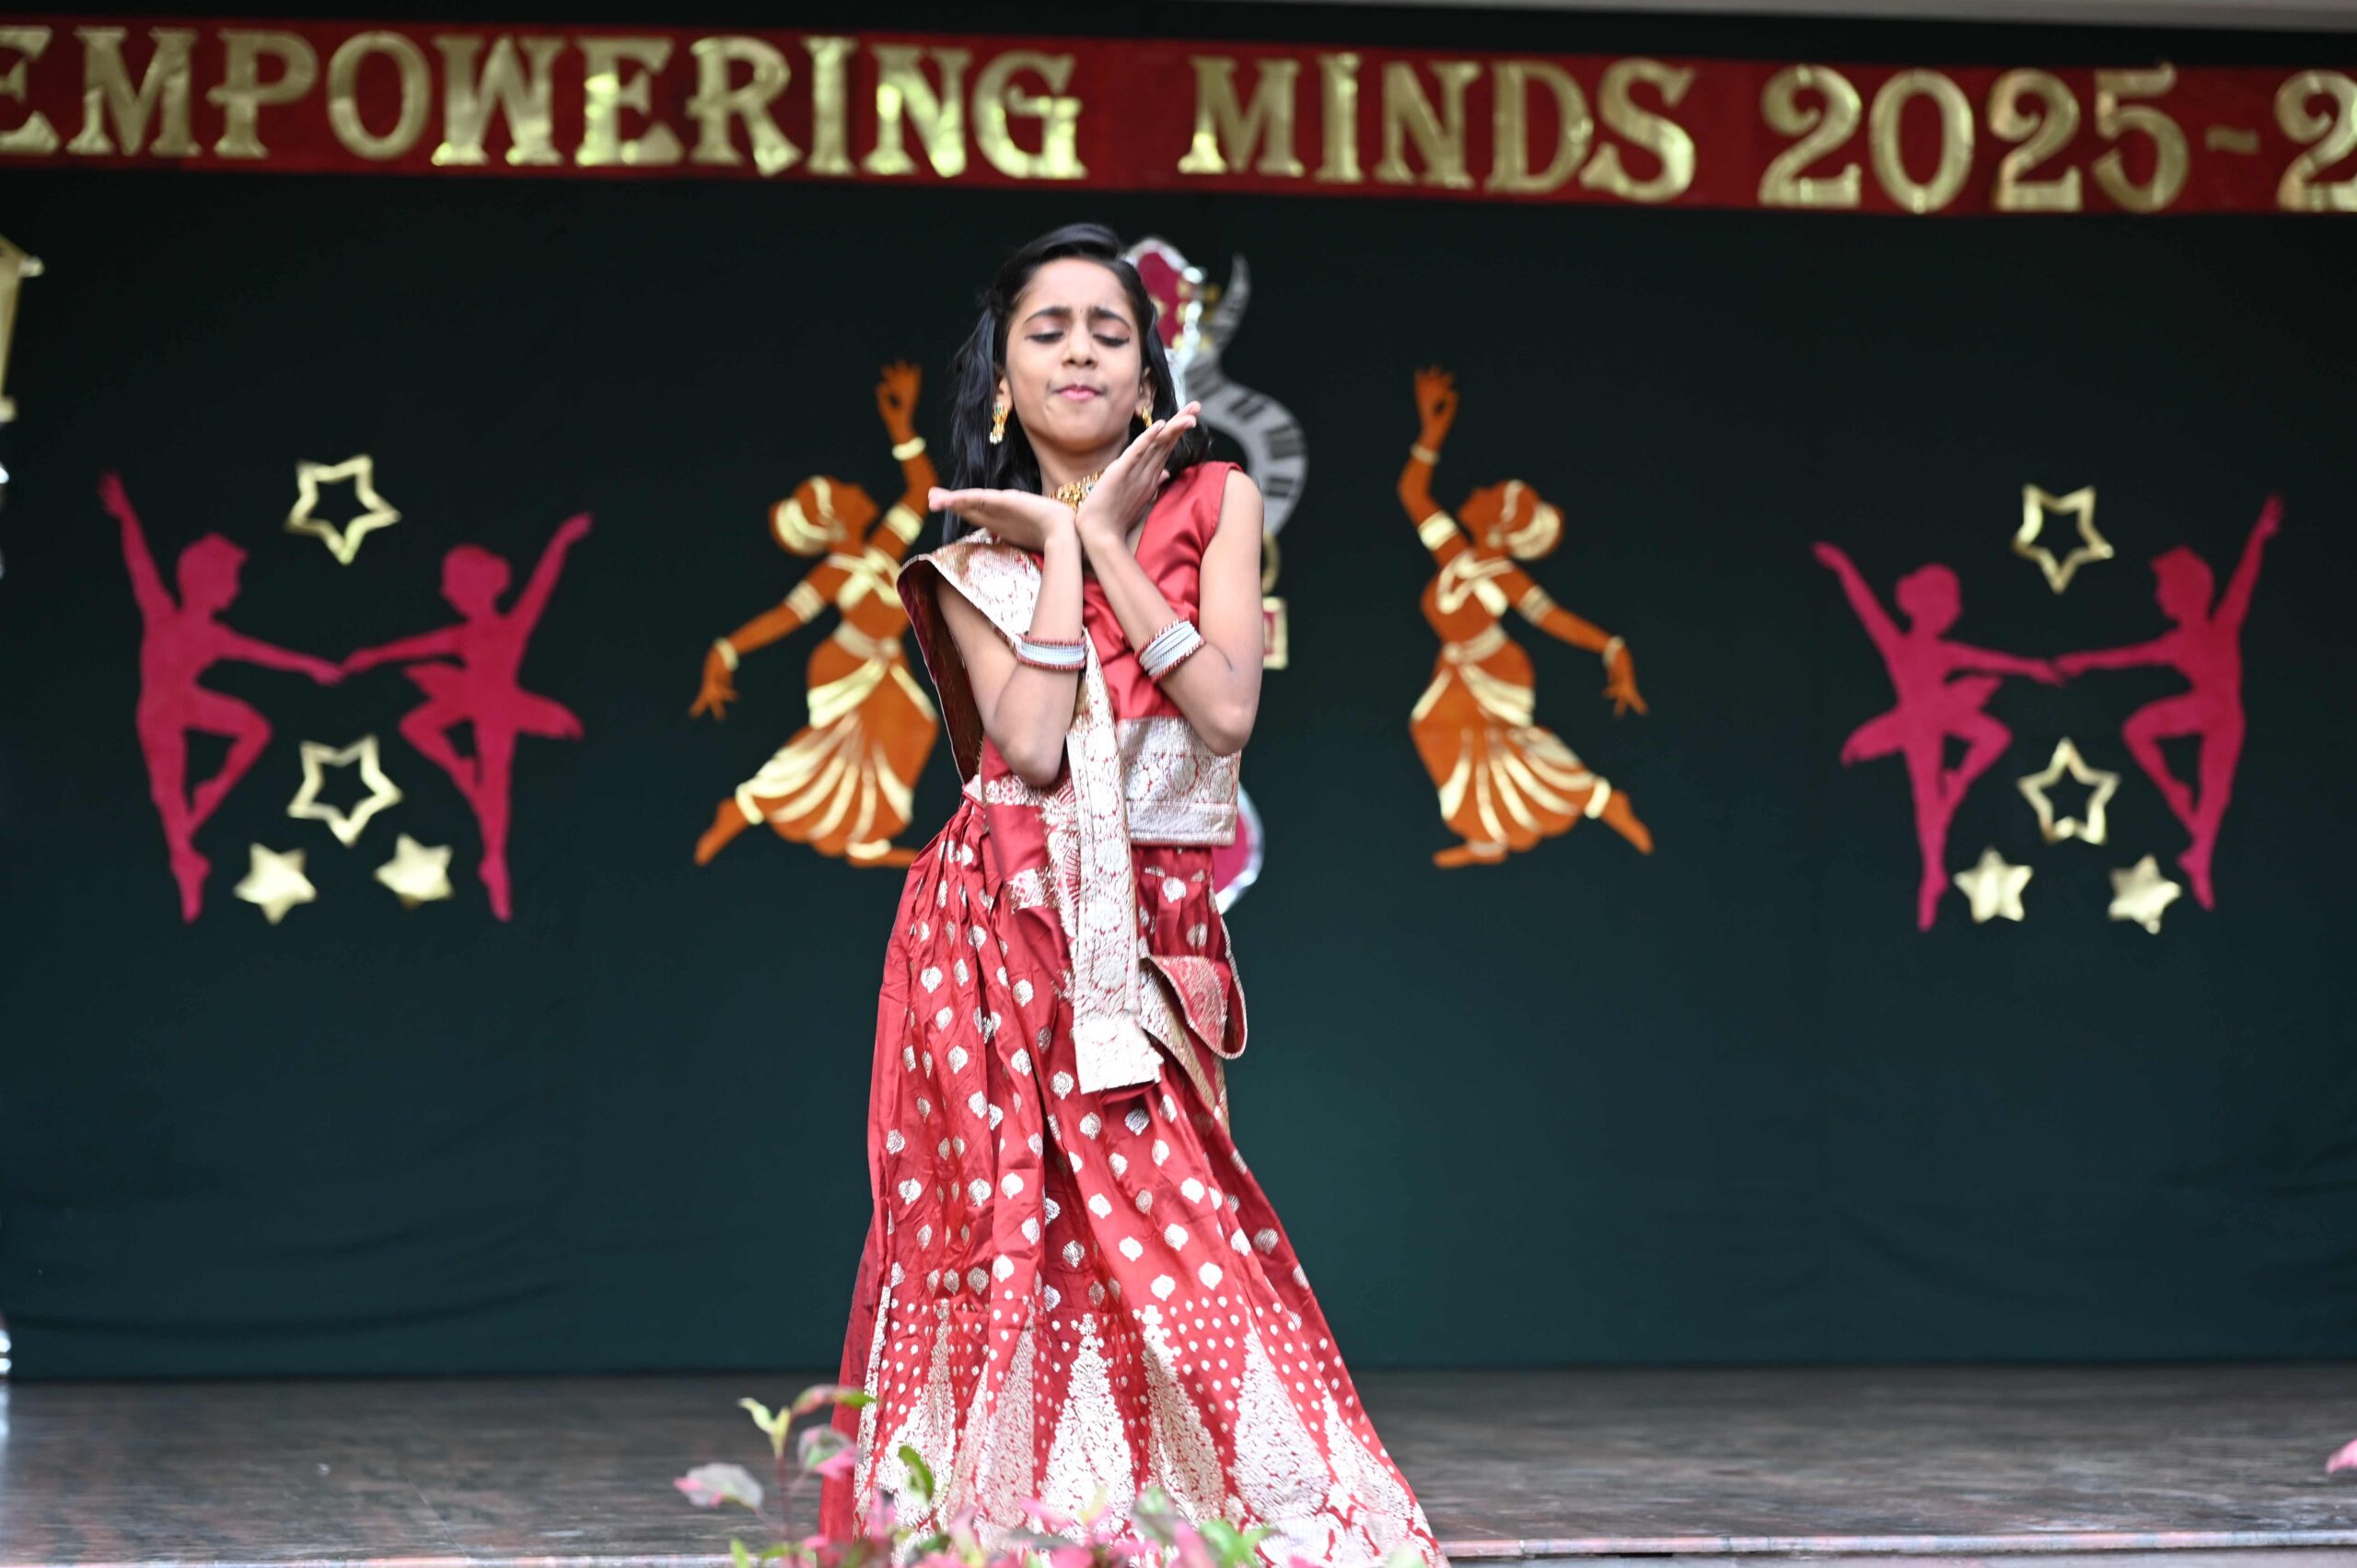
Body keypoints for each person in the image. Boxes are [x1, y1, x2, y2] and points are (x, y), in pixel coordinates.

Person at [819, 225, 1447, 1568]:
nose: (1081, 352)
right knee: (1006, 1227)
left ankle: (1241, 1512)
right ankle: (1012, 1519)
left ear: (1151, 372)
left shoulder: (1217, 501)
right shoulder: (969, 557)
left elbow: (1224, 711)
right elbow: (1035, 747)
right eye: (1046, 331)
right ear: (1002, 381)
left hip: (1147, 929)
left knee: (1167, 1215)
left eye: (1110, 330)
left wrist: (1102, 538)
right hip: (999, 928)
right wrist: (1058, 544)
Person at [691, 363, 941, 869]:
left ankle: (865, 835)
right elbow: (785, 617)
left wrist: (901, 428)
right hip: (846, 663)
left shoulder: (882, 548)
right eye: (841, 491)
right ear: (834, 519)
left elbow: (921, 490)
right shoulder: (836, 572)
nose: (853, 487)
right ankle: (745, 806)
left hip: (882, 660)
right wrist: (727, 650)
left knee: (915, 727)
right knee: (823, 752)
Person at [1399, 368, 1651, 867]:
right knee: (1438, 733)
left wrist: (1611, 647)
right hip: (1460, 663)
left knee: (1508, 751)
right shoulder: (1456, 554)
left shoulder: (1501, 575)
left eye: (1490, 494)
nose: (1477, 490)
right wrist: (1432, 431)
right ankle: (1488, 837)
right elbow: (1413, 495)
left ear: (1497, 522)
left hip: (1495, 666)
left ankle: (1601, 800)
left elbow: (1554, 619)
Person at [99, 472, 343, 922]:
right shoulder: (162, 613)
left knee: (255, 728)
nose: (235, 587)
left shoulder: (214, 636)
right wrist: (126, 517)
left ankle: (202, 812)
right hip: (159, 714)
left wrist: (311, 666)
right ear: (208, 582)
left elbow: (265, 654)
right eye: (230, 578)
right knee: (169, 798)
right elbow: (140, 565)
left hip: (186, 702)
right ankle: (186, 866)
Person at [342, 516, 591, 921]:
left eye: (454, 585)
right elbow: (417, 646)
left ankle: (494, 861)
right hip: (469, 700)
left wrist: (561, 541)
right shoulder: (463, 635)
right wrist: (373, 656)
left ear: (476, 587)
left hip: (498, 709)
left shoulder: (511, 627)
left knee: (496, 785)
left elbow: (541, 585)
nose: (448, 593)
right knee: (415, 726)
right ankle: (462, 774)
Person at [1814, 543, 2058, 930]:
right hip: (1919, 728)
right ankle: (1933, 875)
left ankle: (1957, 785)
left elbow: (1991, 660)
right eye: (1940, 605)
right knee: (1928, 804)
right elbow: (1867, 608)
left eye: (1949, 608)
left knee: (1995, 735)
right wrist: (1844, 567)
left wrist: (2032, 668)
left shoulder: (1946, 651)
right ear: (1919, 606)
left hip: (1945, 718)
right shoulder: (1899, 645)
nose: (1948, 614)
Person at [2056, 499, 2280, 911]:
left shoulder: (2222, 623)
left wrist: (2260, 535)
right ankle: (2180, 802)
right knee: (2137, 729)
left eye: (2164, 590)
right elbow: (2126, 657)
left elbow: (2243, 581)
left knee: (2214, 795)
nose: (2160, 598)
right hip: (2201, 708)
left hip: (2224, 716)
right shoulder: (2176, 643)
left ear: (2184, 593)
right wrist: (2082, 661)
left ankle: (2200, 860)